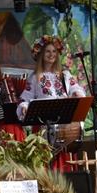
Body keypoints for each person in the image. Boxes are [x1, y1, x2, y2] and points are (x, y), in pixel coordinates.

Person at [19, 35, 87, 172]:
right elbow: (25, 98)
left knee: (63, 162)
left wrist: (76, 93)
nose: (51, 54)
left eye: (54, 51)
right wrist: (24, 107)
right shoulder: (35, 77)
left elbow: (75, 88)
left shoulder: (64, 74)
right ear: (41, 54)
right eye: (48, 51)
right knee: (45, 163)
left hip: (64, 127)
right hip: (43, 126)